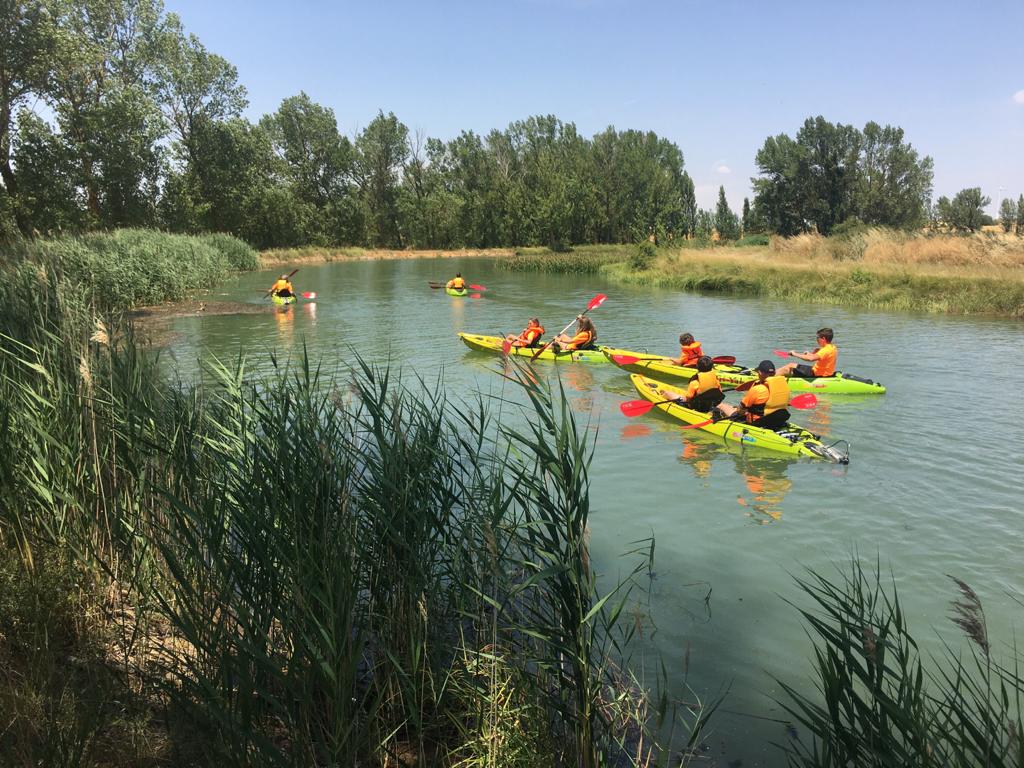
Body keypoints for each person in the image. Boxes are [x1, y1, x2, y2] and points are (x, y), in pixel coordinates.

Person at [716, 359, 791, 431]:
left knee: (722, 405)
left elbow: (741, 411)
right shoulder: (783, 387)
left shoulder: (757, 389)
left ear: (760, 373)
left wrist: (739, 410)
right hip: (777, 420)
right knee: (735, 407)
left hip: (757, 423)